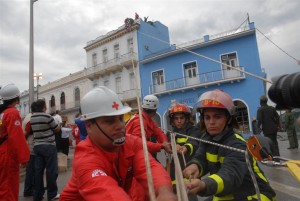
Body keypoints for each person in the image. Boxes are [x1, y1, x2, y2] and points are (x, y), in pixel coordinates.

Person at [60, 86, 177, 201]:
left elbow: (149, 167)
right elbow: (105, 191)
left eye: (121, 119)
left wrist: (164, 192)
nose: (120, 126)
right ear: (89, 126)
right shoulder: (85, 158)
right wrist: (161, 146)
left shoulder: (130, 143)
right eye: (110, 121)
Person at [183, 89, 276, 200]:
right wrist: (196, 166)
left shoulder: (237, 144)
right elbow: (201, 157)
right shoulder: (207, 138)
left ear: (228, 119)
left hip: (255, 194)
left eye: (217, 117)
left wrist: (204, 185)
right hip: (228, 193)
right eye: (207, 117)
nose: (211, 122)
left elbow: (230, 175)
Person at [0, 83, 30, 201]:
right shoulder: (12, 113)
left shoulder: (2, 113)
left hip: (2, 152)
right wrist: (24, 158)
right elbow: (16, 137)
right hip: (8, 155)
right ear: (17, 99)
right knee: (9, 189)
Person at [28, 99, 61, 201]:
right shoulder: (47, 116)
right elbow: (56, 128)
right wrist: (59, 125)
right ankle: (52, 194)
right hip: (49, 146)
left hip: (37, 146)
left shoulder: (32, 118)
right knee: (51, 171)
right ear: (43, 106)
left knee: (38, 172)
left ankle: (37, 195)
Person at [167, 103, 200, 201]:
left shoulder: (194, 130)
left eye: (181, 118)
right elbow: (167, 142)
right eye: (176, 119)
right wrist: (171, 145)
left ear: (187, 119)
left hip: (189, 171)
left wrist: (186, 148)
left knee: (191, 198)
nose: (179, 121)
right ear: (172, 120)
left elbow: (193, 142)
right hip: (175, 173)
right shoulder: (170, 133)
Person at [23, 102, 37, 197]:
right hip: (32, 147)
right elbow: (26, 132)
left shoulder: (28, 117)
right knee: (31, 170)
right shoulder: (32, 119)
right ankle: (28, 189)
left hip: (30, 146)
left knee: (31, 170)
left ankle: (30, 188)